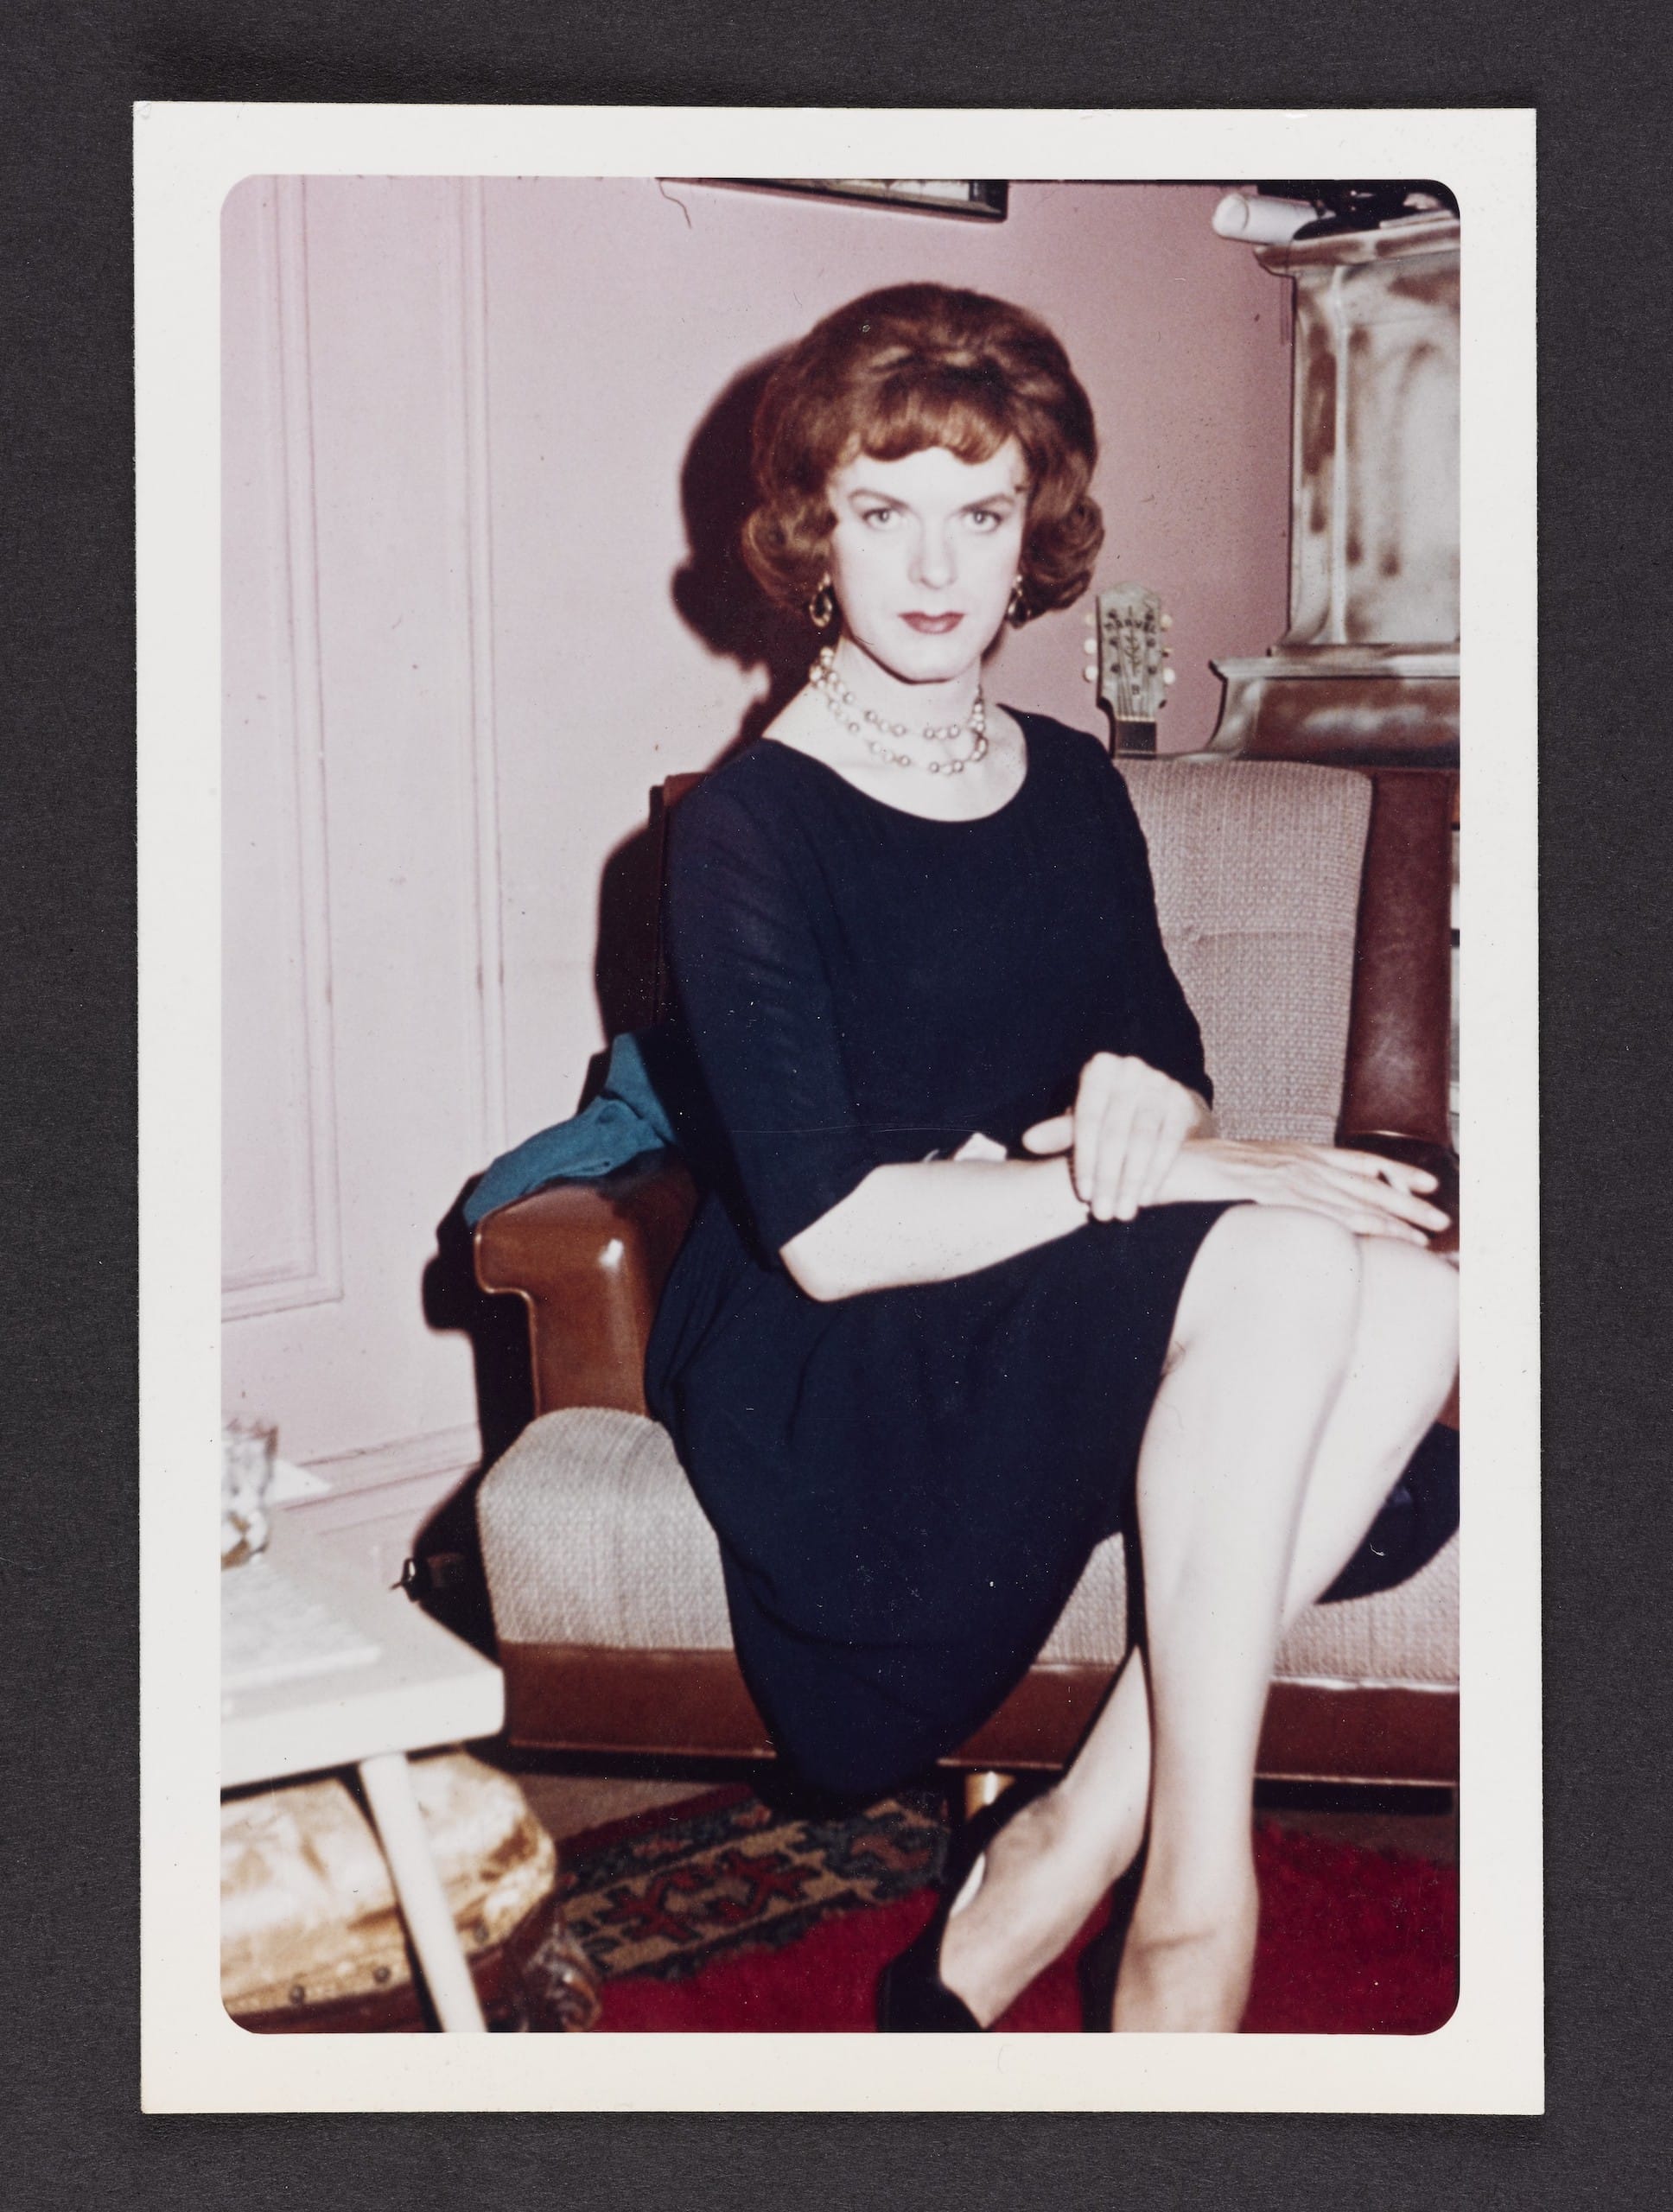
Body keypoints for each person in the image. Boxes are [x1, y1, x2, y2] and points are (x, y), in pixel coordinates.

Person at [644, 283, 1458, 2033]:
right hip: (837, 1358)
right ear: (813, 536)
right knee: (1289, 1249)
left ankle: (1080, 1833)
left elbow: (1166, 1078)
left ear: (1034, 535)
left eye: (983, 510)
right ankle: (1195, 1899)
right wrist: (1202, 1170)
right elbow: (833, 1238)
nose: (936, 566)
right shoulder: (748, 830)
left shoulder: (1076, 784)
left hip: (1022, 1280)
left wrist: (1162, 1115)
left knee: (1409, 1295)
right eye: (884, 511)